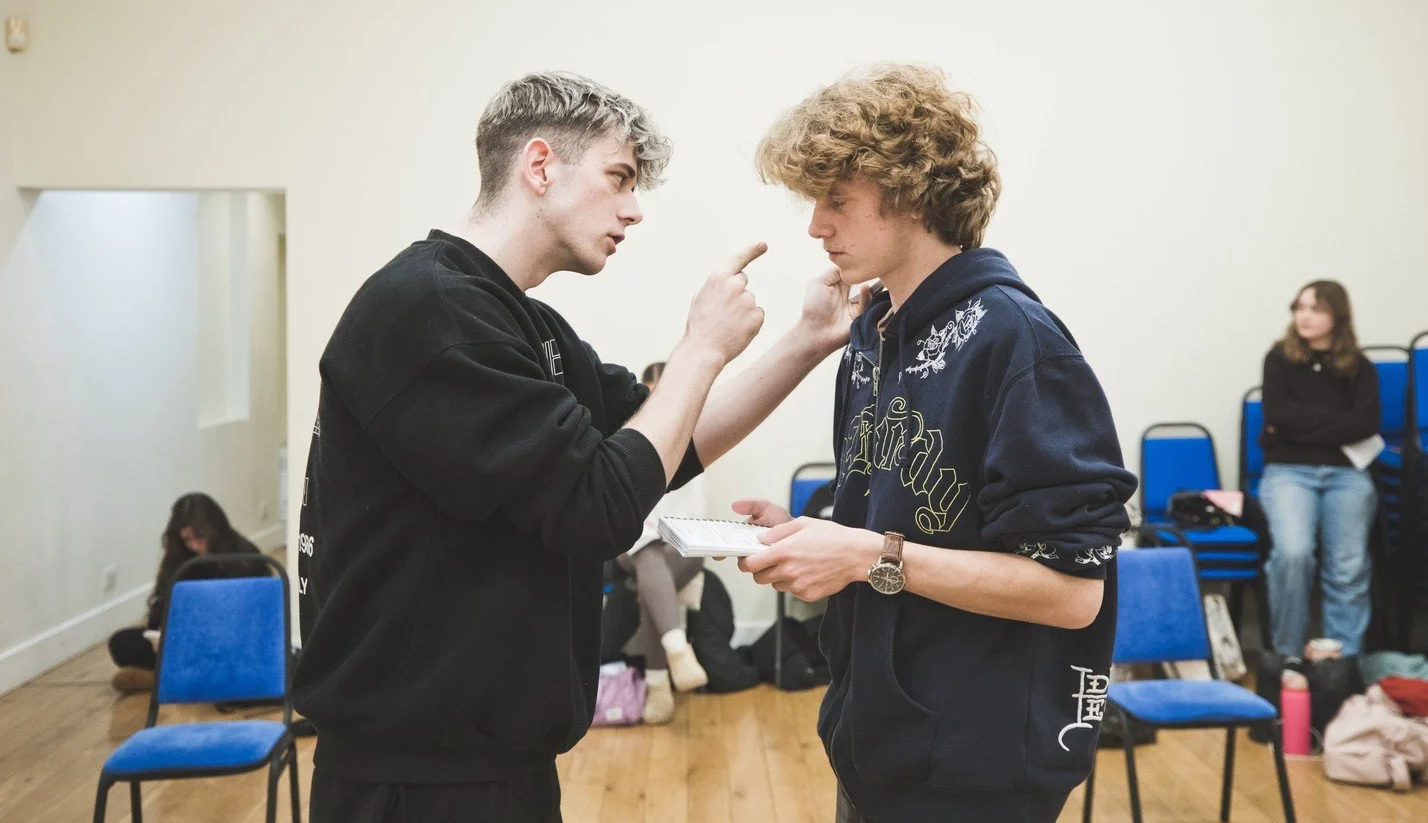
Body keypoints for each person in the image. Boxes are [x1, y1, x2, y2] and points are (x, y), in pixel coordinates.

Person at [294, 72, 862, 822]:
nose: (632, 209)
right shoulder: (429, 310)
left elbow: (665, 443)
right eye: (619, 178)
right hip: (418, 781)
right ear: (539, 166)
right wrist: (697, 349)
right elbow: (599, 508)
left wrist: (807, 340)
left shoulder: (522, 324)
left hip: (493, 765)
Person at [733, 64, 1136, 823]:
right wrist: (813, 537)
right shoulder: (869, 335)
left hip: (977, 767)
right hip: (878, 743)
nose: (815, 226)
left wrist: (861, 555)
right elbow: (908, 517)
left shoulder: (1016, 340)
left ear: (908, 191)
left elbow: (1074, 592)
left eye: (836, 200)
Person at [1258, 280, 1380, 661]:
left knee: (1348, 566)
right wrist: (1335, 422)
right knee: (1293, 555)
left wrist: (1298, 424)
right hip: (1289, 471)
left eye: (1316, 308)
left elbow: (1365, 424)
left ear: (1337, 316)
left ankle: (1341, 664)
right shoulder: (1279, 358)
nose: (1304, 316)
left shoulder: (1360, 367)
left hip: (1347, 474)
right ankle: (1289, 658)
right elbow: (1277, 415)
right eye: (1299, 307)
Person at [617, 360, 710, 725]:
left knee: (653, 576)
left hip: (682, 548)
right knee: (646, 551)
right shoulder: (626, 436)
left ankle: (660, 684)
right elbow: (623, 511)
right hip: (633, 544)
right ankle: (677, 650)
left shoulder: (694, 439)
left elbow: (696, 517)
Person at [109, 492, 262, 693]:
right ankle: (192, 678)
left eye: (200, 536)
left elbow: (255, 616)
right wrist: (158, 633)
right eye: (187, 539)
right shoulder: (179, 560)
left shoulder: (245, 557)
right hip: (186, 644)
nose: (195, 545)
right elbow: (160, 607)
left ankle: (172, 679)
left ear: (215, 529)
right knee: (122, 642)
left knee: (236, 652)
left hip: (227, 640)